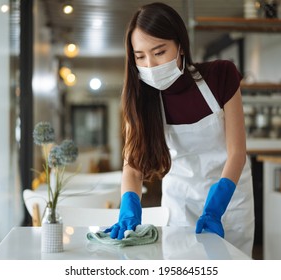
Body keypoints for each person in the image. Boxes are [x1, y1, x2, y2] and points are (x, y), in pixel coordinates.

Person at [104, 2, 254, 257]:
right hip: (180, 200)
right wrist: (129, 208)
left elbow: (237, 152)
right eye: (140, 56)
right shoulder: (140, 98)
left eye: (159, 52)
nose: (150, 65)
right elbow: (132, 166)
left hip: (229, 199)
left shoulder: (221, 76)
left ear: (180, 45)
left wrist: (216, 207)